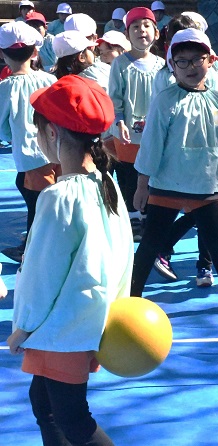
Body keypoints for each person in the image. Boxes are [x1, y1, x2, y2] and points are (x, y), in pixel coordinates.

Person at [6, 74, 133, 446]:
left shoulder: (58, 197)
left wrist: (24, 326)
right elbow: (123, 252)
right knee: (45, 404)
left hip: (60, 328)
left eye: (38, 130)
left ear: (52, 133)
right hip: (88, 319)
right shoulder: (106, 183)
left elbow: (41, 274)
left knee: (73, 419)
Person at [131, 28, 218, 317]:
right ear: (172, 65)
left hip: (206, 184)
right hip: (167, 185)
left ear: (211, 61)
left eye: (198, 59)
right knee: (151, 243)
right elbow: (152, 143)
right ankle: (131, 296)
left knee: (217, 241)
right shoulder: (165, 100)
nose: (191, 67)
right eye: (182, 61)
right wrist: (143, 184)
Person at [149, 13, 218, 286]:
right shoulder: (165, 79)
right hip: (176, 162)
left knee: (207, 213)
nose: (189, 61)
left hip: (206, 162)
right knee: (185, 212)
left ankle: (205, 266)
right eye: (177, 40)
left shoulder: (214, 76)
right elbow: (159, 117)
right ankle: (163, 248)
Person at [0, 22, 58, 263]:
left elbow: (3, 127)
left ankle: (32, 250)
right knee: (38, 195)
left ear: (3, 54)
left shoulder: (5, 87)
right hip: (55, 150)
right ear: (35, 51)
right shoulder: (50, 80)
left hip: (29, 154)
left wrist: (11, 135)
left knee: (37, 203)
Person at [108, 7, 164, 241]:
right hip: (128, 134)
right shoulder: (120, 64)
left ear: (156, 33)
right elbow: (115, 98)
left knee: (153, 175)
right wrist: (119, 121)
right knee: (130, 176)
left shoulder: (163, 65)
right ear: (127, 34)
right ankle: (133, 218)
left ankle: (150, 215)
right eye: (135, 27)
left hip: (155, 133)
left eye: (146, 25)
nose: (142, 30)